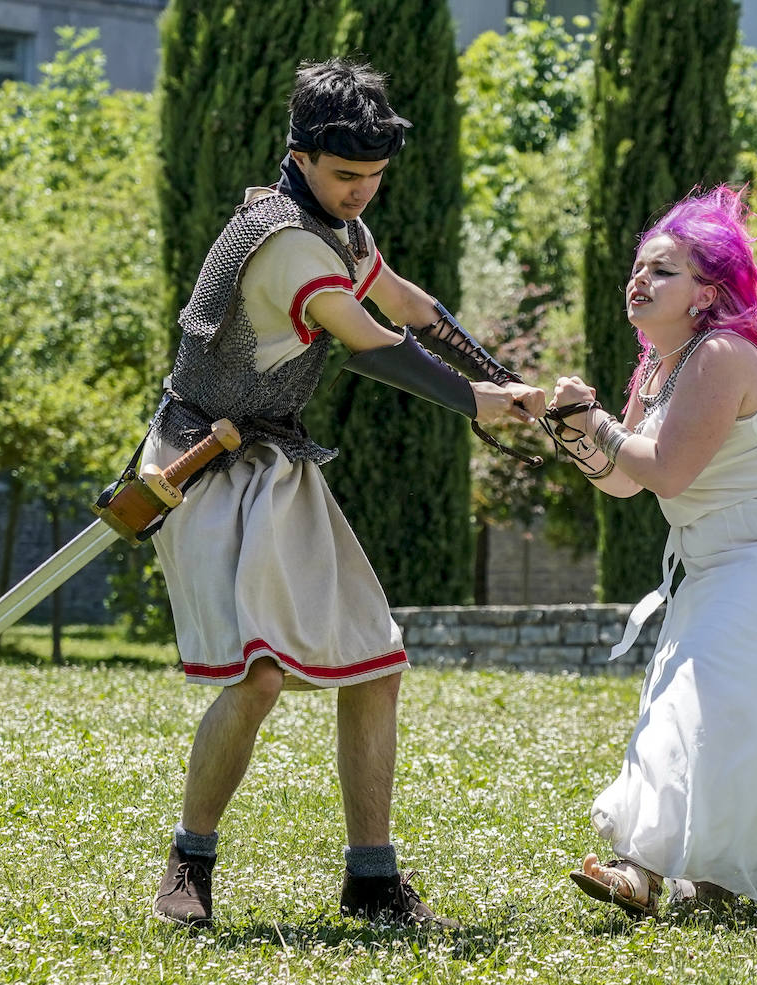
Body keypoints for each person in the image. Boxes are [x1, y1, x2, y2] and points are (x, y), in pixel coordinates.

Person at [143, 57, 545, 930]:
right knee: (259, 675)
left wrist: (501, 374)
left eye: (375, 175)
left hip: (275, 462)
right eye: (345, 174)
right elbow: (372, 341)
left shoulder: (341, 228)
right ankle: (189, 864)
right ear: (300, 156)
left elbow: (406, 302)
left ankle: (372, 881)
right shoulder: (287, 240)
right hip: (199, 464)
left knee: (374, 661)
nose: (361, 191)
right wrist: (479, 401)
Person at [546, 186, 757, 916]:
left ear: (707, 293)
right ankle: (690, 875)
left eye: (663, 270)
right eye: (639, 267)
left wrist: (592, 421)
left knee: (711, 698)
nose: (640, 279)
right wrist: (570, 428)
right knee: (686, 700)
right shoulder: (656, 367)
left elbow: (666, 471)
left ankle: (652, 869)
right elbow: (624, 482)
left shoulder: (722, 354)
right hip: (722, 558)